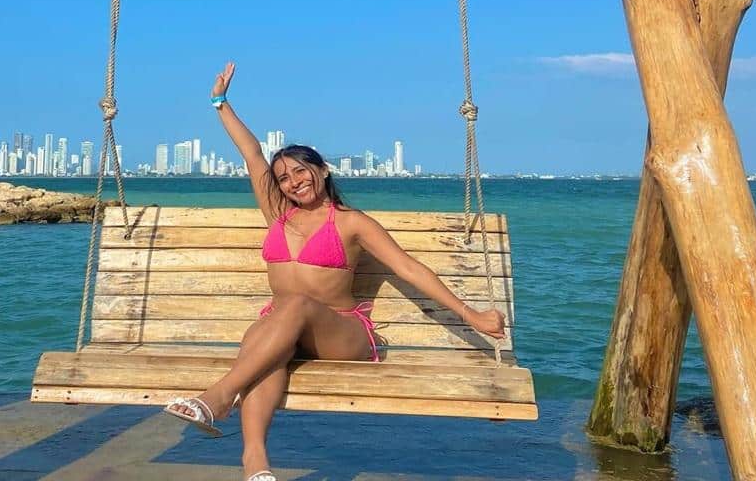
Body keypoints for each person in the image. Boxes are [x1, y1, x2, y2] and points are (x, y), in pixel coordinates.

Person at [164, 62, 507, 481]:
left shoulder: (351, 222)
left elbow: (408, 267)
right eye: (283, 178)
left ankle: (219, 396)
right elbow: (252, 153)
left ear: (323, 170)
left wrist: (472, 315)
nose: (293, 181)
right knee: (260, 346)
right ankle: (255, 464)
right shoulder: (278, 214)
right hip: (286, 329)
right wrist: (220, 102)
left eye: (300, 170)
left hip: (342, 335)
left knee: (292, 306)